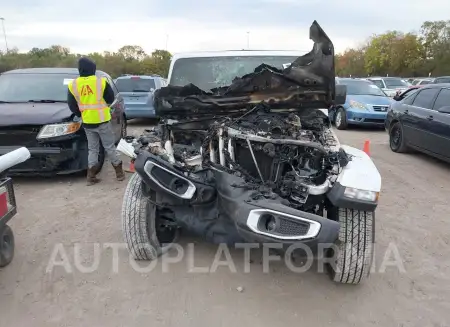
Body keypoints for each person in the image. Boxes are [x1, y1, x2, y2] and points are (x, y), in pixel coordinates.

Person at [67, 57, 125, 186]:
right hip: (103, 120)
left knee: (93, 149)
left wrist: (81, 113)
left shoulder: (73, 84)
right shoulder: (101, 82)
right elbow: (110, 99)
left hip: (87, 121)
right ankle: (119, 173)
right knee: (109, 146)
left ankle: (91, 176)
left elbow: (72, 105)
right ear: (93, 69)